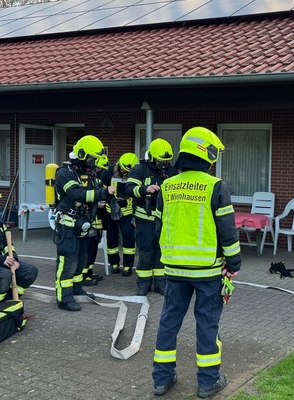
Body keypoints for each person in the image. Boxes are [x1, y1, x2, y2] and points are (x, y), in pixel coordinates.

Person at [151, 127, 241, 398]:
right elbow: (227, 229)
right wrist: (234, 263)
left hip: (174, 270)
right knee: (207, 324)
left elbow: (159, 228)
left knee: (169, 321)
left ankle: (161, 379)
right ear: (207, 154)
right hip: (207, 271)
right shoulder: (216, 186)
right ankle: (208, 381)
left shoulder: (167, 186)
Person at [53, 135, 114, 311]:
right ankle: (64, 298)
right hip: (67, 225)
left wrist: (111, 199)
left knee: (81, 259)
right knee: (68, 261)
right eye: (91, 158)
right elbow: (77, 194)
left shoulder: (89, 175)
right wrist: (101, 195)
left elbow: (101, 189)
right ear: (81, 155)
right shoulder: (64, 173)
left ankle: (77, 290)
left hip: (82, 225)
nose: (94, 162)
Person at [126, 138, 176, 295]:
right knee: (146, 252)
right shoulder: (139, 169)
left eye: (167, 161)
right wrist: (145, 189)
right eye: (161, 160)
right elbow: (129, 189)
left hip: (164, 221)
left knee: (161, 253)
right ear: (153, 157)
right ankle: (143, 284)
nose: (164, 164)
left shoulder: (170, 171)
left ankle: (160, 283)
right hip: (145, 220)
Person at [104, 153, 139, 275]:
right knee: (111, 238)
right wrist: (112, 202)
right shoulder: (108, 173)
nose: (124, 171)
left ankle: (128, 266)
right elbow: (102, 190)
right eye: (123, 168)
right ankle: (114, 264)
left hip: (127, 212)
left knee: (128, 238)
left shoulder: (134, 175)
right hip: (111, 211)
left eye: (127, 170)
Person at [81, 155, 109, 286]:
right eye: (98, 168)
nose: (98, 170)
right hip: (88, 220)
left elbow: (103, 191)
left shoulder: (95, 179)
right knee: (87, 249)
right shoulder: (84, 179)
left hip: (96, 220)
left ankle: (89, 272)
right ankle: (83, 275)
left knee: (93, 249)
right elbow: (82, 197)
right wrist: (96, 204)